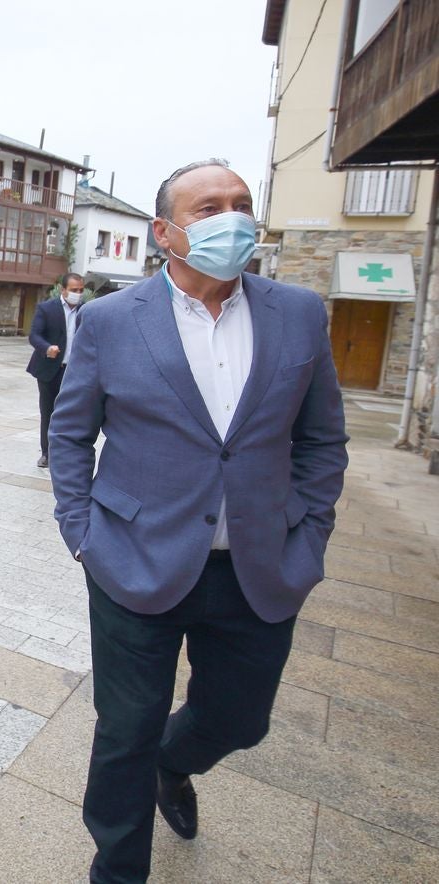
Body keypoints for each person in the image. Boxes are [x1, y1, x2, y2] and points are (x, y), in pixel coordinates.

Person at [49, 159, 348, 884]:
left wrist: (308, 533)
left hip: (258, 566)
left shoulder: (299, 312)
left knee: (240, 722)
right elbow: (68, 433)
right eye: (209, 207)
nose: (232, 218)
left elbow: (321, 439)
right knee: (124, 731)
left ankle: (173, 766)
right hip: (133, 558)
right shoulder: (112, 319)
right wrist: (83, 532)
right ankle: (118, 869)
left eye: (242, 204)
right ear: (165, 233)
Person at [27, 273, 86, 469]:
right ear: (63, 290)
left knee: (71, 413)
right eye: (74, 290)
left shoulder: (86, 311)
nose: (78, 294)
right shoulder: (47, 308)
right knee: (49, 412)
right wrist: (47, 348)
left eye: (80, 290)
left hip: (74, 371)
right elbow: (34, 335)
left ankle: (66, 453)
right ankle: (47, 453)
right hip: (49, 369)